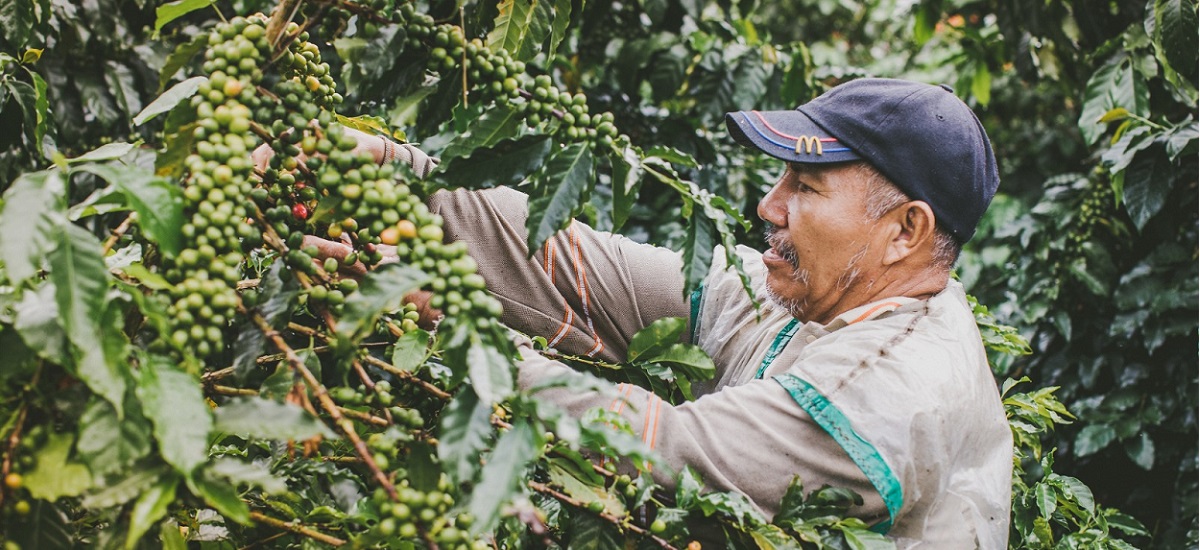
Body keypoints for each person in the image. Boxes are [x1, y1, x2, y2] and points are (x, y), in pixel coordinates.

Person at [314, 78, 1013, 547]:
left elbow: (668, 451)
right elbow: (580, 269)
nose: (768, 208)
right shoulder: (827, 296)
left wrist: (455, 326)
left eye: (804, 187)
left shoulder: (895, 397)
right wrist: (392, 173)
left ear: (906, 232)